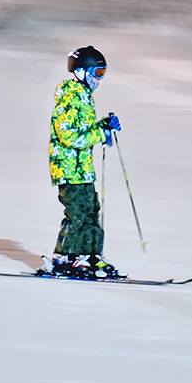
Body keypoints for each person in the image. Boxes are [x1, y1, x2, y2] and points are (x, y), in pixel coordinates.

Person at [43, 45, 122, 279]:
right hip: (68, 169)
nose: (100, 80)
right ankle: (63, 257)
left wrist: (102, 126)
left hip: (82, 169)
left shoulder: (84, 97)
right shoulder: (71, 98)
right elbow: (68, 135)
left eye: (103, 73)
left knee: (91, 211)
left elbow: (84, 131)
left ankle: (89, 255)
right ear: (82, 72)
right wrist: (100, 135)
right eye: (97, 74)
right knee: (77, 214)